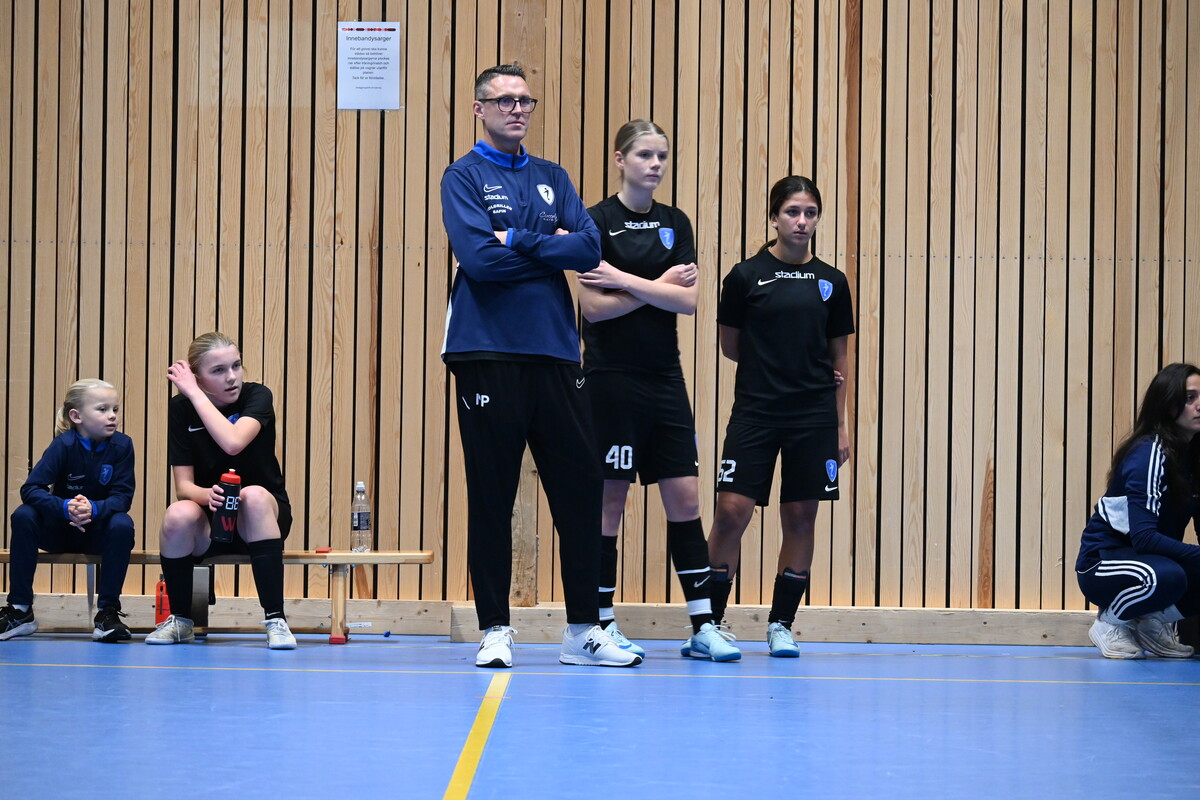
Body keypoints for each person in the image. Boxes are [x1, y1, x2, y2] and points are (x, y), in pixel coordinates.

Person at [440, 63, 639, 668]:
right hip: (486, 352)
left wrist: (518, 238)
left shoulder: (554, 176)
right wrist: (549, 248)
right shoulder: (462, 176)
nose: (517, 109)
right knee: (492, 495)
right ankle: (495, 629)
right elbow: (479, 261)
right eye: (504, 101)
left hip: (555, 352)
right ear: (480, 109)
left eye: (525, 100)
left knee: (579, 491)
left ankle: (582, 631)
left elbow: (589, 247)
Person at [576, 120, 739, 662]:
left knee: (686, 499)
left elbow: (688, 303)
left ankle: (703, 626)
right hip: (610, 379)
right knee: (609, 502)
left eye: (662, 156)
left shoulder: (676, 222)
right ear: (620, 159)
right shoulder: (595, 221)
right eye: (645, 155)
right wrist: (658, 288)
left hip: (665, 378)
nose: (655, 165)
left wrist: (622, 279)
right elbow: (593, 310)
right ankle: (601, 622)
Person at [705, 175, 854, 657]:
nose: (802, 221)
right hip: (756, 412)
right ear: (774, 217)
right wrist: (778, 364)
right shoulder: (744, 276)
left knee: (801, 517)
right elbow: (731, 346)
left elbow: (840, 355)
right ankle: (708, 623)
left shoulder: (832, 282)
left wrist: (841, 425)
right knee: (731, 513)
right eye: (792, 211)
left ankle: (781, 625)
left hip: (813, 417)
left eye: (810, 212)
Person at [147, 332, 296, 649]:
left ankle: (276, 619)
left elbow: (233, 442)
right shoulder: (180, 409)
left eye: (236, 365)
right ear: (197, 376)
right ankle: (181, 620)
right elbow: (184, 487)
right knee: (177, 514)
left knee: (252, 496)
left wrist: (193, 393)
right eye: (218, 370)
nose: (232, 377)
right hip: (212, 524)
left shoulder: (257, 396)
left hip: (260, 520)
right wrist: (207, 496)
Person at [1076, 363, 1200, 659]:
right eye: (1189, 398)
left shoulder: (1194, 456)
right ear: (1166, 404)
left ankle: (1152, 622)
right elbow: (1143, 539)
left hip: (1153, 562)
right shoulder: (1149, 453)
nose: (1199, 405)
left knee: (1172, 572)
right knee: (1168, 577)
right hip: (1102, 562)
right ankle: (1110, 622)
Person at [0, 380, 136, 642]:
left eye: (115, 409)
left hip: (97, 533)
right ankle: (20, 610)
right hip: (60, 531)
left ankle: (107, 613)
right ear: (76, 416)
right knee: (24, 514)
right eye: (102, 409)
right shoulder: (63, 445)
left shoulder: (122, 446)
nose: (112, 416)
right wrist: (64, 507)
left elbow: (122, 497)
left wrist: (93, 508)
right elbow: (31, 489)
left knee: (122, 523)